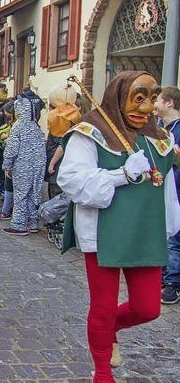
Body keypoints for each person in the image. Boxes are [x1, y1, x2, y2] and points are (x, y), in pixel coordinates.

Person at [58, 71, 180, 382]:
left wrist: (168, 226)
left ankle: (112, 327)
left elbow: (164, 188)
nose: (146, 107)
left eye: (152, 98)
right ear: (119, 95)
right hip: (103, 233)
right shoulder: (89, 133)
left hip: (145, 232)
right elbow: (71, 181)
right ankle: (101, 372)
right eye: (139, 98)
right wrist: (121, 175)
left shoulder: (160, 140)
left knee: (148, 308)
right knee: (102, 307)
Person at [1, 90, 46, 235]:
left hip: (22, 165)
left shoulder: (18, 126)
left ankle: (19, 225)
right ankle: (33, 223)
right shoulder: (36, 127)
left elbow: (12, 149)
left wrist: (7, 165)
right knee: (34, 193)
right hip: (38, 164)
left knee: (21, 194)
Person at [154, 86, 180, 304]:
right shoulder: (159, 127)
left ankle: (172, 284)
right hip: (164, 189)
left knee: (173, 239)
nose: (154, 104)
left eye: (158, 100)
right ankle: (164, 277)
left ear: (170, 103)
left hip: (178, 190)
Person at [46, 84, 82, 199]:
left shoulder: (63, 116)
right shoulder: (72, 114)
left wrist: (52, 163)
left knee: (57, 196)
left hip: (60, 165)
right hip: (67, 164)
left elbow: (62, 144)